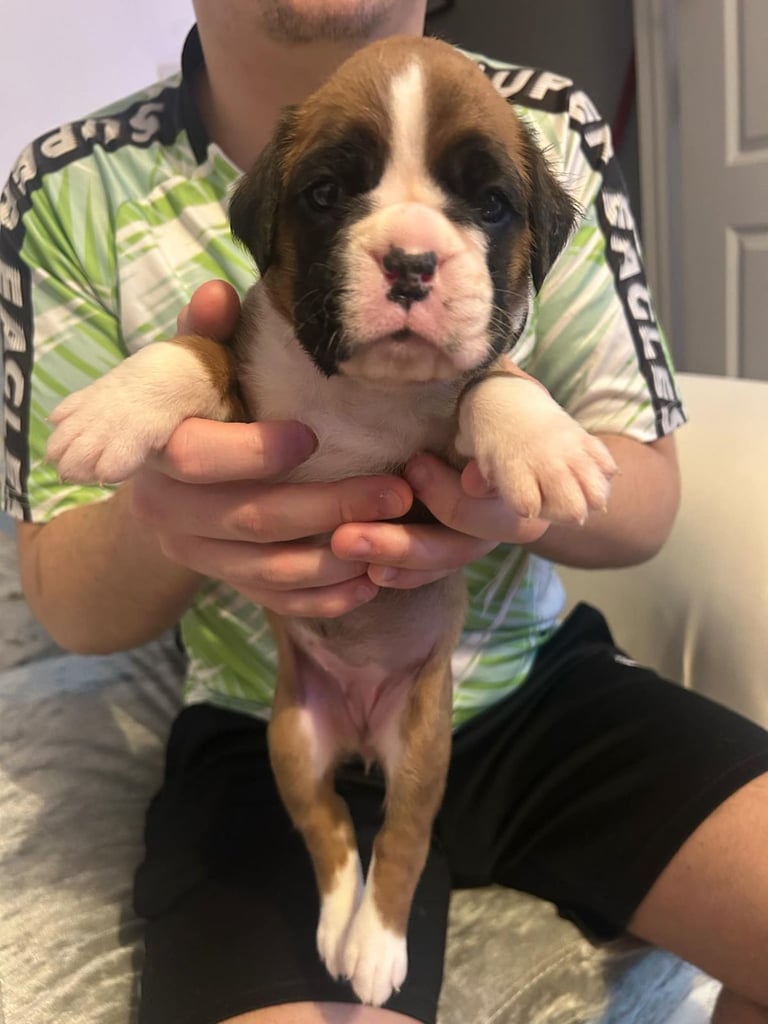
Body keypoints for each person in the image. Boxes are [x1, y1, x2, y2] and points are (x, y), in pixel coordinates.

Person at [2, 2, 768, 1023]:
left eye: (481, 206)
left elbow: (642, 499)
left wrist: (509, 462)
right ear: (269, 218)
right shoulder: (68, 187)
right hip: (269, 708)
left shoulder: (547, 124)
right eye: (330, 193)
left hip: (532, 684)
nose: (413, 251)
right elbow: (67, 596)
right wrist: (165, 508)